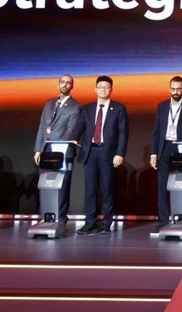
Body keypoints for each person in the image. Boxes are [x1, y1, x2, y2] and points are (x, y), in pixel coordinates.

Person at [148, 76, 182, 233]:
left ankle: (181, 221)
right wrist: (153, 153)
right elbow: (156, 131)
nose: (176, 92)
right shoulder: (162, 106)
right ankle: (163, 222)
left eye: (179, 89)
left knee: (181, 187)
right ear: (169, 88)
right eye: (173, 89)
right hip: (164, 148)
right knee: (162, 188)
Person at [31, 75, 85, 230]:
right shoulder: (49, 103)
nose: (65, 85)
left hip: (62, 151)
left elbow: (71, 129)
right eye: (62, 82)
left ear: (72, 86)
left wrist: (58, 145)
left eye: (68, 83)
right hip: (45, 150)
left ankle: (60, 218)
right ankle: (45, 217)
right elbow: (42, 127)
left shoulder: (75, 106)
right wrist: (38, 149)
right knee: (45, 184)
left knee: (61, 185)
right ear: (58, 84)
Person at [79, 76, 128, 235]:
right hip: (90, 152)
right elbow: (79, 127)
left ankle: (106, 223)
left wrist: (119, 153)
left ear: (111, 89)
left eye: (106, 87)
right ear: (95, 89)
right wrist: (70, 138)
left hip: (108, 153)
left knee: (107, 189)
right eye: (100, 87)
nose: (103, 89)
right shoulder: (87, 108)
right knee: (90, 189)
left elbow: (123, 133)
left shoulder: (118, 108)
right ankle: (90, 222)